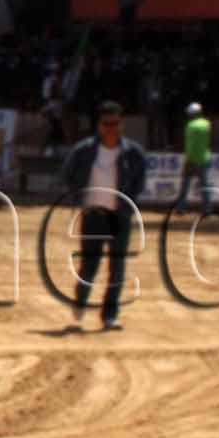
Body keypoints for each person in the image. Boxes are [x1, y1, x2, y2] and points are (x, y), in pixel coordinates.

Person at [57, 100, 148, 332]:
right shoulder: (84, 150)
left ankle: (110, 315)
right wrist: (79, 199)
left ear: (122, 124)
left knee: (117, 267)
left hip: (119, 216)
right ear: (99, 125)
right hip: (93, 215)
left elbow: (140, 181)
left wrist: (128, 204)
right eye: (107, 123)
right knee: (90, 265)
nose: (112, 128)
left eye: (116, 123)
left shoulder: (133, 153)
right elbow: (67, 174)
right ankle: (81, 299)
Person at [174, 101, 214, 215]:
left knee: (185, 185)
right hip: (205, 158)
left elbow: (190, 145)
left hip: (192, 159)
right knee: (205, 186)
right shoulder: (207, 124)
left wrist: (188, 159)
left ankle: (181, 208)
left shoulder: (190, 126)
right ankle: (207, 209)